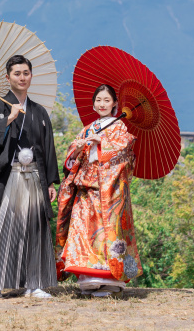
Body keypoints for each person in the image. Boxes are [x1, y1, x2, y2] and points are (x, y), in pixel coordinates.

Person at [0, 54, 60, 300]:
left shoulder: (39, 112)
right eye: (17, 73)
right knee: (3, 226)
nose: (22, 78)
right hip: (9, 174)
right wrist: (9, 119)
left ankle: (35, 283)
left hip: (34, 175)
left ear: (31, 76)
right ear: (7, 77)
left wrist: (51, 181)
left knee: (35, 226)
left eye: (26, 73)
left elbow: (48, 147)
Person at [55, 84, 142, 297]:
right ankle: (87, 280)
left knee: (106, 234)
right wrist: (77, 149)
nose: (102, 104)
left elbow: (126, 155)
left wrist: (103, 143)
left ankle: (109, 281)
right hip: (85, 190)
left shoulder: (120, 128)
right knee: (83, 233)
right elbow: (71, 160)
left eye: (107, 100)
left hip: (108, 193)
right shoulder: (87, 128)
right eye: (98, 100)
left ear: (114, 104)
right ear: (93, 104)